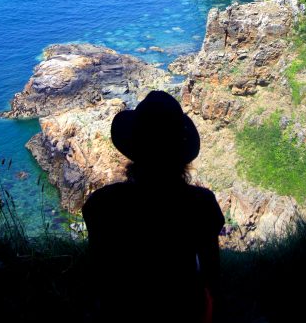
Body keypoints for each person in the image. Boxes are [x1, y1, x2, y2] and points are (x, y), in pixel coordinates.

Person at [82, 90, 225, 323]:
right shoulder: (201, 204)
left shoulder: (102, 204)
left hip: (122, 311)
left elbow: (96, 275)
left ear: (134, 151)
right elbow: (211, 275)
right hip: (185, 311)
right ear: (182, 156)